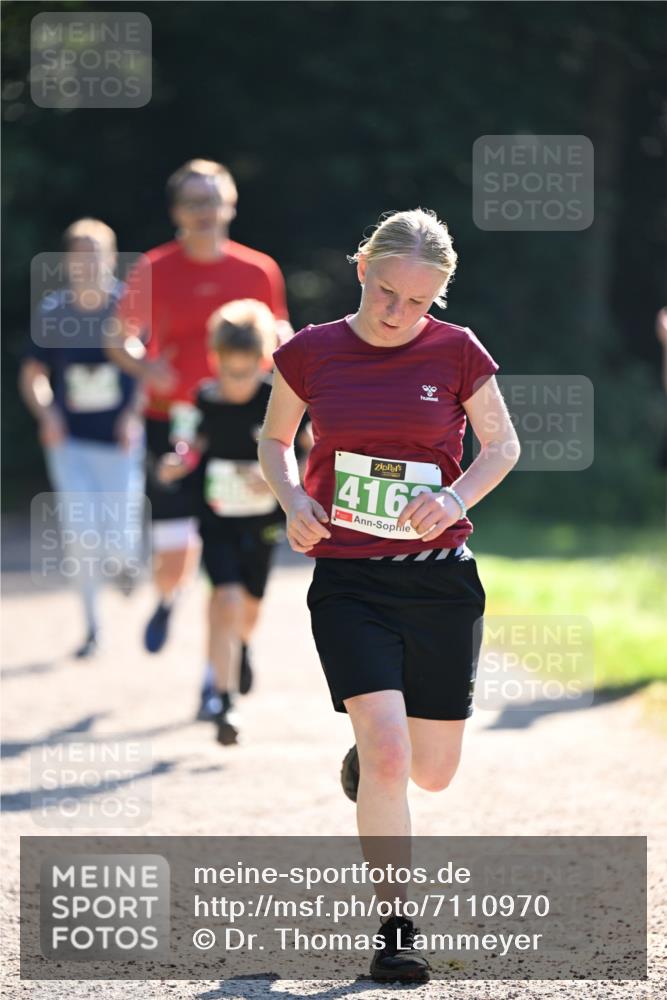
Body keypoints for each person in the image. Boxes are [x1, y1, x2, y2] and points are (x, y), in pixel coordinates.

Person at [258, 209, 520, 983]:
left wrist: (456, 495)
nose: (397, 313)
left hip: (439, 580)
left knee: (431, 773)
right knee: (390, 751)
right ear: (361, 268)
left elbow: (502, 445)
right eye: (384, 292)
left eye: (417, 301)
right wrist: (292, 502)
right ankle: (396, 928)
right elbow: (275, 440)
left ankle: (372, 763)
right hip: (348, 579)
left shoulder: (459, 351)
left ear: (437, 296)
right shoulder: (309, 353)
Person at [106, 159, 290, 667]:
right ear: (176, 211)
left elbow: (280, 336)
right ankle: (169, 595)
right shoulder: (152, 267)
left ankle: (220, 673)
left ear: (230, 205)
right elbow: (117, 337)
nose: (204, 211)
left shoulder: (258, 270)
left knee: (232, 554)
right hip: (171, 421)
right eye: (193, 202)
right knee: (171, 559)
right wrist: (146, 369)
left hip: (235, 426)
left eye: (213, 200)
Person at [157, 299, 312, 743]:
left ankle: (241, 647)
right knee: (223, 598)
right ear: (216, 360)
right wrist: (176, 463)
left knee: (249, 607)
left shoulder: (276, 398)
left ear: (261, 361)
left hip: (262, 521)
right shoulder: (204, 399)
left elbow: (307, 445)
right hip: (217, 517)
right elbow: (188, 445)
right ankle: (222, 700)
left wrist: (284, 482)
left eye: (246, 372)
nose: (237, 381)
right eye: (229, 371)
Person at [19, 218, 144, 658]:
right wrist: (47, 412)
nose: (88, 261)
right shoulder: (53, 312)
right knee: (80, 531)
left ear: (111, 258)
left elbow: (149, 371)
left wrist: (132, 415)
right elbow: (33, 376)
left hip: (120, 439)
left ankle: (126, 564)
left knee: (118, 527)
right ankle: (93, 628)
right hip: (70, 441)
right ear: (68, 261)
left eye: (97, 252)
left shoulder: (126, 308)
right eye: (80, 252)